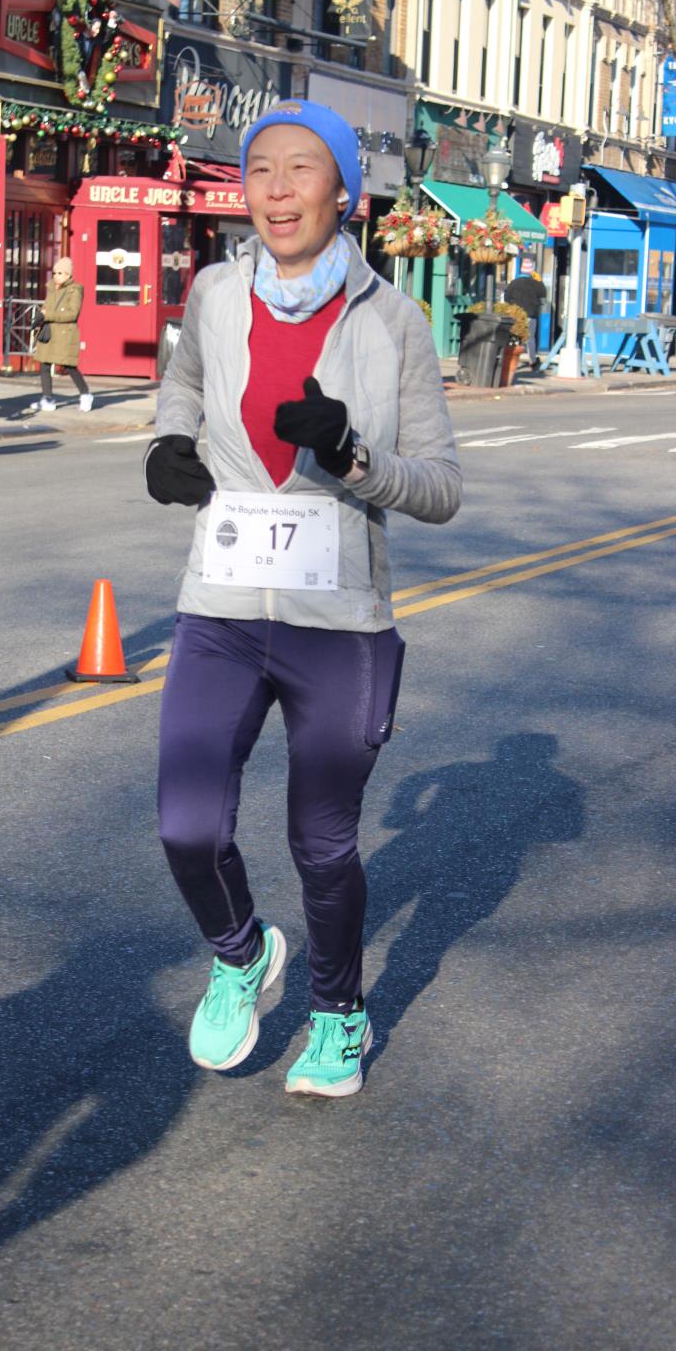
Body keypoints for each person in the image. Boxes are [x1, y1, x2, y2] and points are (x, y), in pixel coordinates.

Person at [145, 100, 461, 1098]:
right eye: (261, 169)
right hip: (223, 605)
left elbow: (441, 488)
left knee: (321, 846)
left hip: (339, 625)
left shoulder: (394, 320)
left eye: (302, 169)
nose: (277, 191)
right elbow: (184, 382)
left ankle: (337, 1014)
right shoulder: (213, 292)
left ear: (344, 192)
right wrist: (167, 442)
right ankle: (241, 953)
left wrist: (351, 456)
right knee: (186, 826)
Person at [29, 258, 93, 412]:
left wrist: (48, 315)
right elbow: (47, 307)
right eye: (55, 273)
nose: (56, 276)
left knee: (68, 366)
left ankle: (85, 394)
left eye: (60, 273)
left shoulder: (75, 290)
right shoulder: (52, 288)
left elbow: (72, 314)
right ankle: (47, 399)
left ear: (68, 275)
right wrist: (40, 316)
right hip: (49, 332)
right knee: (44, 365)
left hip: (65, 334)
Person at [503, 269, 546, 368]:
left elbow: (506, 298)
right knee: (530, 339)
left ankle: (512, 360)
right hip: (530, 315)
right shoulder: (535, 284)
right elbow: (543, 295)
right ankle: (533, 361)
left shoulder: (513, 283)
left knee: (514, 337)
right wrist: (540, 281)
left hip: (516, 315)